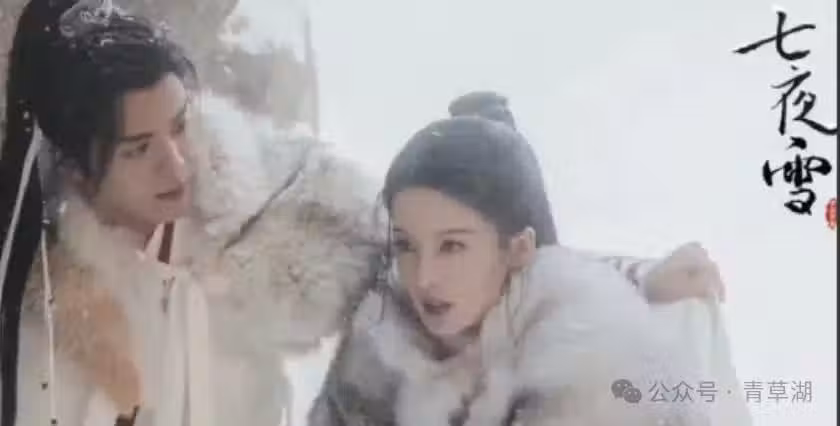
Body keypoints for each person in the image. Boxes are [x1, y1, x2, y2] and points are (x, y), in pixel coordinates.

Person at [0, 1, 381, 424]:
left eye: (179, 126)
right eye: (139, 149)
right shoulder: (51, 306)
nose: (177, 166)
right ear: (79, 173)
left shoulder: (284, 215)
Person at [308, 97, 737, 425]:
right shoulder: (382, 338)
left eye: (452, 247)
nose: (424, 277)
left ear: (517, 249)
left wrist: (643, 280)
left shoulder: (594, 368)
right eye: (405, 245)